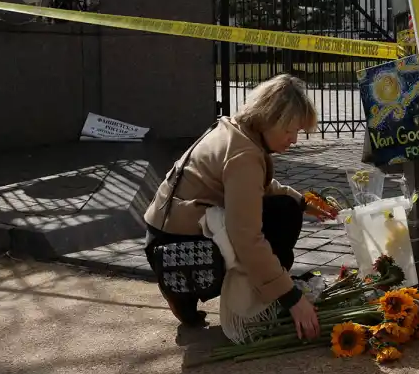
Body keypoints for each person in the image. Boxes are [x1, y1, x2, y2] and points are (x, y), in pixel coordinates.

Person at [142, 74, 333, 339]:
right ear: (268, 118)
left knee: (287, 207)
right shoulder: (244, 155)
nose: (294, 140)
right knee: (282, 219)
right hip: (178, 247)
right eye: (290, 131)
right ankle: (193, 287)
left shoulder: (235, 131)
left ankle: (182, 291)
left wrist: (302, 202)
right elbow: (246, 237)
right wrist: (291, 297)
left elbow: (256, 188)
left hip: (165, 231)